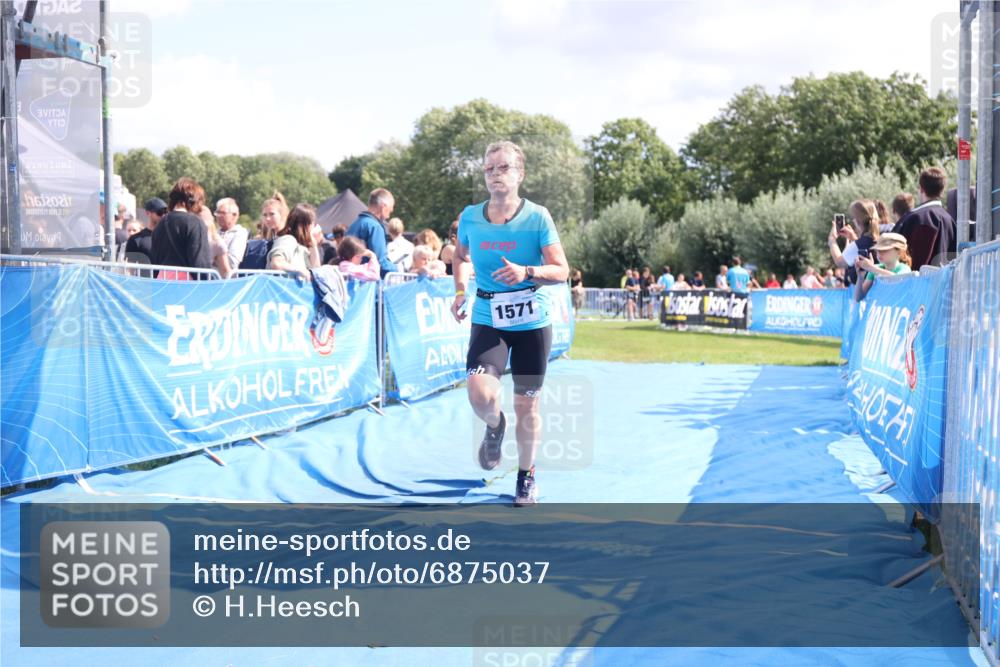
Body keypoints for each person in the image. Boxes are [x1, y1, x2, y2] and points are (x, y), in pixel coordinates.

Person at [449, 140, 569, 507]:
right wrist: (459, 291)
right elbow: (459, 254)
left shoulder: (537, 217)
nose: (496, 174)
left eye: (503, 168)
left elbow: (562, 270)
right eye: (489, 169)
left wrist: (527, 272)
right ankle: (495, 426)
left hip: (532, 321)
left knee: (527, 407)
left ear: (520, 174)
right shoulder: (470, 217)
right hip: (489, 317)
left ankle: (526, 476)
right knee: (480, 395)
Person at [892, 167, 956, 270]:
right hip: (945, 284)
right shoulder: (950, 220)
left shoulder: (914, 218)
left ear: (921, 188)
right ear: (942, 190)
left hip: (917, 283)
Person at [150, 177, 213, 280]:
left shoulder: (160, 223)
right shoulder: (195, 223)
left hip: (162, 283)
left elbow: (155, 259)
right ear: (194, 200)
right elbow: (200, 264)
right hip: (187, 287)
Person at [828, 199, 880, 285]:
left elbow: (839, 262)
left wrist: (832, 241)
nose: (853, 221)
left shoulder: (858, 245)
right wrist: (853, 237)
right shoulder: (878, 238)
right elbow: (865, 246)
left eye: (853, 218)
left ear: (858, 221)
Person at [347, 188, 398, 277]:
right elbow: (380, 262)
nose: (390, 214)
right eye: (390, 209)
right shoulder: (375, 227)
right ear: (383, 206)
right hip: (367, 284)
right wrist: (397, 269)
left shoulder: (354, 224)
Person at [266, 203, 320, 280]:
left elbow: (316, 270)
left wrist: (313, 244)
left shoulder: (303, 246)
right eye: (313, 223)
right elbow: (277, 263)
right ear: (307, 225)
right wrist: (299, 270)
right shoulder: (288, 240)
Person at [855, 232, 912, 301]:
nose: (879, 253)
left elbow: (896, 279)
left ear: (899, 252)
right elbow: (858, 298)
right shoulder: (875, 268)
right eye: (878, 250)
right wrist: (860, 277)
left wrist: (871, 268)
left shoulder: (904, 269)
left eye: (884, 250)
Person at [125, 197, 167, 265]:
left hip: (165, 275)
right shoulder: (136, 239)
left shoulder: (169, 237)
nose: (163, 215)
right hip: (144, 275)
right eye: (160, 212)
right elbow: (130, 268)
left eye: (166, 212)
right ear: (148, 213)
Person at [215, 197, 248, 273]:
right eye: (218, 213)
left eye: (223, 213)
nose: (219, 216)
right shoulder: (214, 233)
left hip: (226, 280)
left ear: (235, 215)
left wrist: (212, 257)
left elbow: (232, 262)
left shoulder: (240, 233)